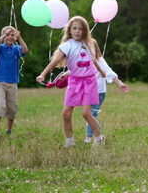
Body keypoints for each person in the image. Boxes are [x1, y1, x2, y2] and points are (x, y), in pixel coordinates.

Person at [36, 16, 106, 148]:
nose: (77, 31)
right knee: (66, 113)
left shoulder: (89, 43)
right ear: (69, 30)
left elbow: (93, 61)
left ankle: (98, 137)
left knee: (86, 113)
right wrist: (43, 74)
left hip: (89, 82)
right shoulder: (66, 46)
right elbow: (54, 62)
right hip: (74, 82)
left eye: (80, 29)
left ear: (85, 31)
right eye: (74, 28)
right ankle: (69, 141)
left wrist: (102, 73)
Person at [84, 40, 129, 143]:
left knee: (92, 114)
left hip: (99, 92)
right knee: (87, 114)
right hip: (88, 91)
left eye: (91, 48)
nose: (89, 51)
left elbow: (109, 72)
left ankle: (90, 137)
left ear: (96, 49)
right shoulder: (84, 61)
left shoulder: (100, 60)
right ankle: (95, 135)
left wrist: (119, 83)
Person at [0, 26, 28, 139]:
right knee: (0, 106)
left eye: (12, 35)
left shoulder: (16, 49)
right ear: (3, 36)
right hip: (0, 82)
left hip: (13, 83)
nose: (10, 37)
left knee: (12, 108)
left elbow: (25, 50)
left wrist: (19, 37)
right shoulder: (0, 48)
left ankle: (9, 130)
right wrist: (3, 36)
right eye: (7, 35)